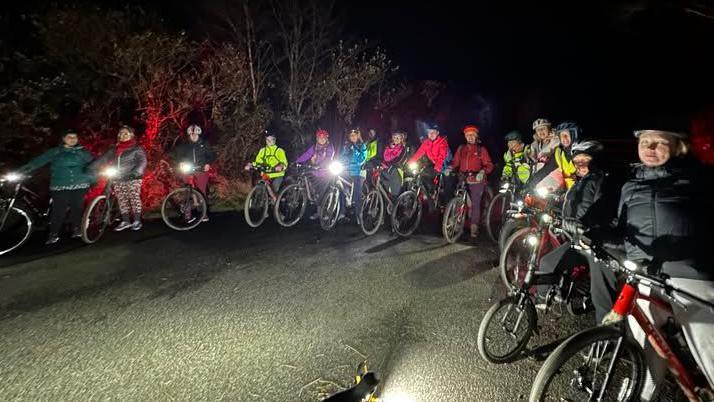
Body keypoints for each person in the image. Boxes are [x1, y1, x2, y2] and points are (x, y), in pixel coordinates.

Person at [588, 126, 713, 400]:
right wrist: (595, 234)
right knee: (647, 349)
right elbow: (618, 228)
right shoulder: (630, 185)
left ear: (678, 146)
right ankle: (640, 395)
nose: (650, 147)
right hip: (645, 276)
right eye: (645, 141)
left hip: (689, 278)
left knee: (709, 353)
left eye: (659, 142)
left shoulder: (697, 180)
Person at [535, 140, 606, 297]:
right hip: (575, 235)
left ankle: (543, 298)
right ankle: (552, 291)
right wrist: (557, 198)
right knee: (549, 260)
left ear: (593, 160)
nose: (579, 164)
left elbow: (599, 210)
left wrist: (582, 226)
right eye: (576, 161)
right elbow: (573, 200)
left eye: (584, 160)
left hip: (588, 240)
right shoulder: (580, 181)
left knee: (547, 263)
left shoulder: (599, 181)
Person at [18, 129, 94, 244]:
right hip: (60, 184)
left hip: (80, 183)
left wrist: (94, 176)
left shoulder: (83, 152)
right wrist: (22, 170)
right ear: (63, 139)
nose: (72, 139)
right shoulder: (55, 151)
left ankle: (76, 229)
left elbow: (95, 164)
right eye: (69, 137)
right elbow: (39, 161)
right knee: (59, 210)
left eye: (75, 137)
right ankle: (53, 234)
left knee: (76, 208)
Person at [91, 126, 147, 231]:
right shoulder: (114, 149)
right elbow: (103, 159)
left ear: (131, 135)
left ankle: (137, 220)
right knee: (122, 199)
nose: (123, 135)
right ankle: (125, 221)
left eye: (126, 133)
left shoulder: (136, 148)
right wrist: (92, 167)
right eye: (121, 133)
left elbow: (142, 161)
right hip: (118, 177)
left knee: (133, 197)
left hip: (133, 177)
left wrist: (136, 172)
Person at [445, 125, 495, 237]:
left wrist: (482, 172)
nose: (470, 137)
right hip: (463, 178)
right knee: (458, 200)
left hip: (477, 180)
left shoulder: (481, 150)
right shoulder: (461, 148)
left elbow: (489, 165)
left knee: (475, 203)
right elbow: (455, 163)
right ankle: (457, 223)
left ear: (476, 136)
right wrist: (450, 168)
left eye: (472, 135)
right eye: (468, 135)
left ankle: (474, 228)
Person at [173, 124, 215, 221]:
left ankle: (203, 213)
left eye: (195, 134)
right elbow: (178, 155)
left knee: (202, 191)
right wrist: (181, 162)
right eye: (192, 134)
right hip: (188, 169)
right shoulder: (184, 145)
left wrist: (208, 163)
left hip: (201, 169)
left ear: (198, 134)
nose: (193, 136)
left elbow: (211, 155)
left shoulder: (204, 144)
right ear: (189, 135)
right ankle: (188, 213)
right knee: (187, 190)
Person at [295, 128, 336, 219]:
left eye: (323, 138)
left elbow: (329, 158)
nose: (321, 139)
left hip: (325, 174)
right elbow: (306, 154)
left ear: (326, 139)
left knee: (322, 193)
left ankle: (324, 212)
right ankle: (318, 209)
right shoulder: (314, 147)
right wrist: (297, 162)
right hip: (315, 173)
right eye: (319, 138)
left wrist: (320, 165)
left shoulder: (330, 147)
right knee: (315, 191)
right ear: (317, 138)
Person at [407, 122, 449, 206]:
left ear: (437, 133)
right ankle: (425, 192)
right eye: (429, 132)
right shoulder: (426, 142)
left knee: (427, 175)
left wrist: (437, 167)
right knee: (421, 173)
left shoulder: (442, 142)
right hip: (432, 163)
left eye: (433, 132)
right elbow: (419, 153)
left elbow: (442, 156)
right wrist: (410, 161)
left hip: (443, 163)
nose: (431, 134)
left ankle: (433, 192)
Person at [339, 128, 367, 220]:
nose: (353, 137)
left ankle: (359, 215)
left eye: (354, 135)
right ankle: (341, 212)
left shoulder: (362, 146)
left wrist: (354, 150)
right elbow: (342, 156)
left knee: (357, 193)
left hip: (358, 171)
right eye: (351, 136)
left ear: (358, 136)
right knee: (341, 188)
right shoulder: (346, 146)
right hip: (347, 170)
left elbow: (362, 159)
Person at [381, 130, 410, 196]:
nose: (396, 139)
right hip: (387, 169)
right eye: (394, 137)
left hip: (396, 171)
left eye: (398, 138)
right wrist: (390, 149)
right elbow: (385, 157)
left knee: (395, 193)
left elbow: (399, 160)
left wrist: (389, 164)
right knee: (384, 189)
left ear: (401, 139)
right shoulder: (389, 147)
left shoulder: (402, 148)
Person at [551, 122, 580, 189]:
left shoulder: (580, 151)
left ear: (573, 135)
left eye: (566, 135)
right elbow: (545, 170)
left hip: (582, 191)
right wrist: (530, 184)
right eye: (561, 136)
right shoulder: (559, 153)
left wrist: (578, 177)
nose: (564, 138)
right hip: (566, 191)